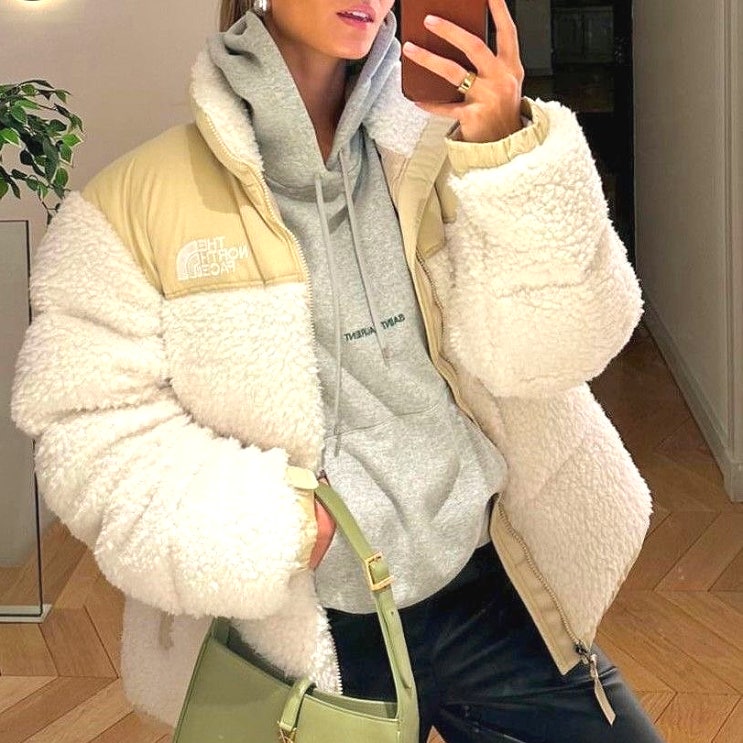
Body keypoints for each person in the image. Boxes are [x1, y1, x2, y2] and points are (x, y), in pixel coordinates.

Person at [11, 0, 666, 741]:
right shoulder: (132, 203)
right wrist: (271, 524)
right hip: (313, 636)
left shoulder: (448, 147)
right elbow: (87, 428)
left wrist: (509, 155)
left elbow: (556, 352)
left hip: (487, 585)